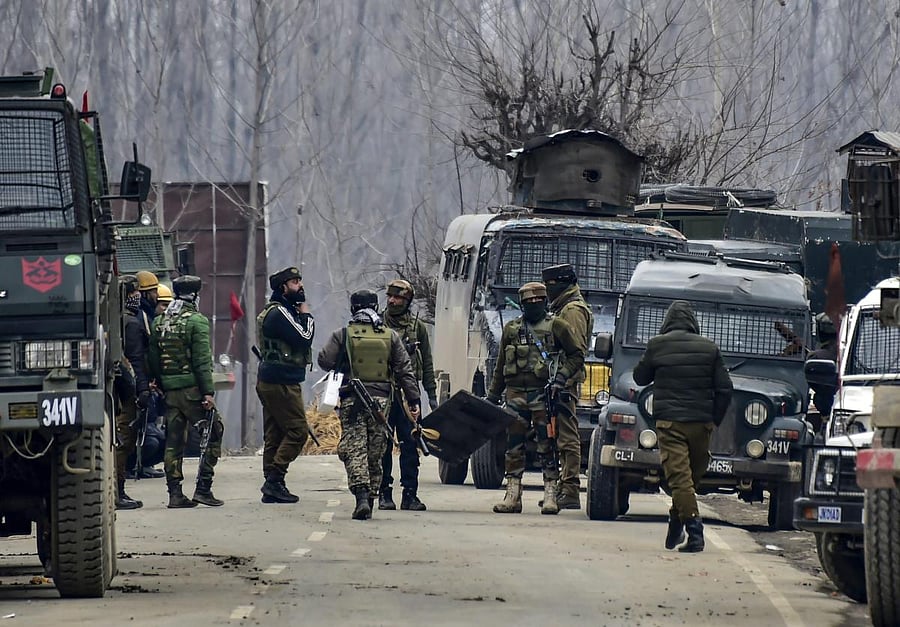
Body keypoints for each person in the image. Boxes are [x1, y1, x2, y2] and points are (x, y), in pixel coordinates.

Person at [632, 300, 733, 553]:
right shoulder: (709, 348)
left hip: (670, 423)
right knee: (688, 478)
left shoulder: (657, 345)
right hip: (701, 424)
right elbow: (725, 388)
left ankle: (693, 532)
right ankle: (677, 524)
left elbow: (640, 378)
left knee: (680, 479)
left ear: (667, 321)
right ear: (692, 321)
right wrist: (714, 419)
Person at [317, 289, 421, 520]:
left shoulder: (343, 334)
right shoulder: (390, 336)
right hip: (382, 402)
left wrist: (344, 360)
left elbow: (324, 360)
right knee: (376, 450)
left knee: (355, 448)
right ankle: (372, 496)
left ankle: (362, 496)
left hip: (352, 400)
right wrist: (414, 399)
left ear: (353, 308)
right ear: (376, 308)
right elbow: (404, 370)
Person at [487, 282, 584, 515]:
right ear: (521, 304)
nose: (533, 304)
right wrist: (492, 395)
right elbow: (501, 365)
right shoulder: (511, 329)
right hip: (515, 395)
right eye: (528, 301)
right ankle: (512, 494)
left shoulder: (557, 326)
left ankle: (550, 493)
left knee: (547, 444)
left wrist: (561, 378)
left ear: (545, 301)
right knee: (513, 446)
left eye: (537, 300)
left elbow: (577, 355)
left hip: (544, 394)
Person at [148, 275, 225, 508]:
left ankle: (175, 493)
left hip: (170, 392)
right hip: (192, 391)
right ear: (195, 295)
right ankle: (203, 488)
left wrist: (162, 384)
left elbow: (153, 358)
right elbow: (202, 361)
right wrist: (208, 392)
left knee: (174, 441)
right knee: (214, 431)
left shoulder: (159, 321)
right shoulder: (196, 321)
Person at [256, 266, 314, 504]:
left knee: (276, 433)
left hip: (272, 379)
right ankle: (274, 479)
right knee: (298, 431)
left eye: (300, 281)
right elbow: (304, 338)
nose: (300, 286)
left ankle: (272, 484)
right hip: (282, 381)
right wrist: (306, 315)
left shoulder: (280, 310)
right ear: (283, 287)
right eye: (295, 282)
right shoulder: (280, 312)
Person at [378, 278, 437, 511]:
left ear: (407, 300)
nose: (393, 301)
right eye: (390, 296)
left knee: (411, 445)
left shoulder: (417, 328)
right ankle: (384, 493)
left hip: (408, 394)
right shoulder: (378, 324)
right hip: (383, 392)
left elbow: (427, 362)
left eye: (398, 297)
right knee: (383, 445)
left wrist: (431, 394)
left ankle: (410, 494)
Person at [541, 263, 591, 510]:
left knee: (567, 437)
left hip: (564, 383)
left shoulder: (572, 311)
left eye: (550, 285)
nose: (547, 290)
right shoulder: (563, 307)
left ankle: (570, 488)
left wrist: (561, 378)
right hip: (558, 380)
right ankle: (564, 486)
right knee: (557, 435)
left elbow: (576, 351)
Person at [114, 275, 144, 510]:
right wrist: (141, 389)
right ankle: (118, 491)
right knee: (123, 442)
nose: (138, 296)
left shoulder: (115, 319)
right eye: (134, 292)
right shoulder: (131, 323)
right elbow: (135, 360)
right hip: (126, 392)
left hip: (116, 390)